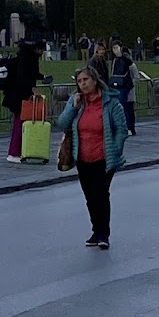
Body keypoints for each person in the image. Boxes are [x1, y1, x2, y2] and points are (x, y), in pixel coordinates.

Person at [57, 64, 127, 249]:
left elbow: (121, 128)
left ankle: (104, 233)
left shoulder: (110, 103)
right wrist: (73, 107)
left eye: (86, 80)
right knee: (90, 196)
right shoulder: (77, 101)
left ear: (95, 80)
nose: (83, 84)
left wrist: (117, 147)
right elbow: (62, 122)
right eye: (79, 81)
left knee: (101, 194)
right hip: (82, 157)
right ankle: (96, 231)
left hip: (104, 157)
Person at [4, 39, 52, 163]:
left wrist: (42, 77)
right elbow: (24, 76)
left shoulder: (26, 57)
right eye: (41, 50)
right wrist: (33, 88)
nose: (42, 53)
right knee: (20, 122)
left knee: (20, 122)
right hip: (22, 96)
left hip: (18, 94)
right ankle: (14, 153)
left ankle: (18, 151)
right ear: (38, 49)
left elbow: (30, 74)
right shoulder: (29, 59)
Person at [110, 42, 136, 135]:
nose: (115, 50)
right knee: (120, 107)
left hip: (126, 87)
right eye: (114, 48)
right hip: (118, 86)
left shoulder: (126, 60)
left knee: (127, 108)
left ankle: (129, 127)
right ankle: (122, 126)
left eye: (117, 48)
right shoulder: (115, 60)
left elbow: (134, 72)